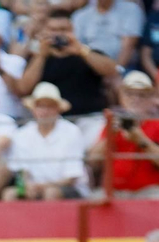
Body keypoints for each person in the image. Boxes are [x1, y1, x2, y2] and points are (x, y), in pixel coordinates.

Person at [21, 9, 114, 142]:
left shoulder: (86, 53)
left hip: (89, 119)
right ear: (44, 31)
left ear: (73, 30)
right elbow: (23, 88)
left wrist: (81, 50)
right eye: (53, 30)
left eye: (64, 29)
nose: (58, 34)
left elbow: (111, 70)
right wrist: (41, 56)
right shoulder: (38, 58)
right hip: (51, 122)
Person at [86, 70, 159, 198]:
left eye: (142, 95)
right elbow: (93, 161)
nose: (135, 99)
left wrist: (141, 139)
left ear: (151, 98)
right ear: (121, 97)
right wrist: (111, 136)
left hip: (149, 190)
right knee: (94, 200)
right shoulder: (111, 123)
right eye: (130, 94)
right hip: (113, 190)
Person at [4, 82, 88, 199]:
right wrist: (28, 186)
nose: (44, 111)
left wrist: (43, 186)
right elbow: (22, 172)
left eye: (50, 107)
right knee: (10, 194)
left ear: (58, 109)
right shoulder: (22, 134)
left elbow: (71, 178)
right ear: (33, 109)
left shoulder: (72, 132)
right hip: (35, 188)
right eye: (40, 106)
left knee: (50, 193)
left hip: (66, 189)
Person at [73, 0, 144, 71]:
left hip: (124, 67)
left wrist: (117, 70)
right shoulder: (80, 15)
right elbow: (77, 45)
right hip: (90, 67)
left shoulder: (130, 9)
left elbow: (128, 45)